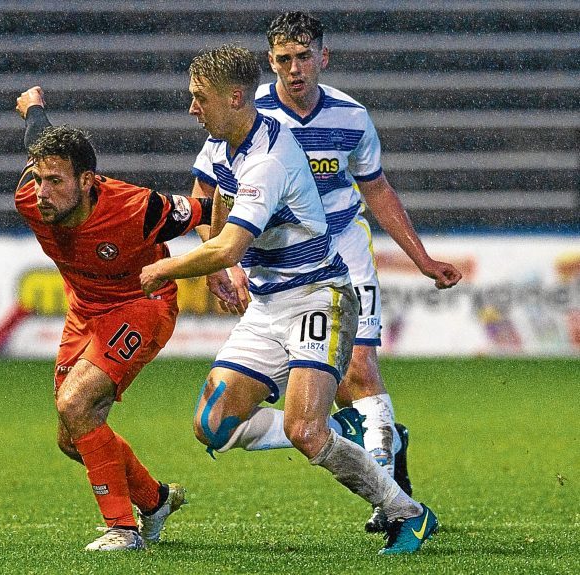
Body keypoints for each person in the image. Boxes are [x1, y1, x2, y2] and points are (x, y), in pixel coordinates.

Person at [141, 44, 438, 555]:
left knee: (304, 429)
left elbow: (231, 243)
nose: (192, 108)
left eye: (199, 98)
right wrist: (220, 265)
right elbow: (216, 200)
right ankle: (341, 428)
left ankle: (407, 513)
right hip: (267, 305)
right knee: (213, 426)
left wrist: (163, 268)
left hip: (318, 298)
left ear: (234, 99)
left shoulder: (270, 160)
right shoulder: (223, 142)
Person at [14, 100, 213, 550]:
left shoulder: (137, 209)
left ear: (87, 182)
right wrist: (34, 110)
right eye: (40, 179)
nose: (43, 192)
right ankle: (155, 499)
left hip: (143, 303)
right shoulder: (31, 198)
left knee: (76, 405)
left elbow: (212, 208)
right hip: (84, 311)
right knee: (72, 438)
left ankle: (123, 529)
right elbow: (38, 144)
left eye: (55, 182)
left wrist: (222, 264)